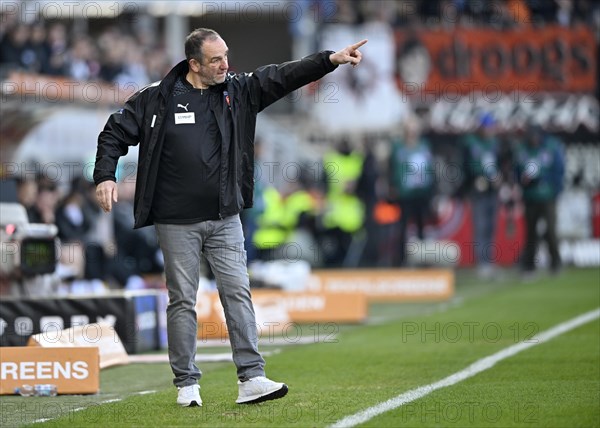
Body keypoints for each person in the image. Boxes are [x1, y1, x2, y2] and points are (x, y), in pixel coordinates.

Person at [93, 28, 366, 407]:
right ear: (194, 64)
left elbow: (283, 75)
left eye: (226, 56)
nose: (225, 64)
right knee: (182, 300)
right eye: (216, 60)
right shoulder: (157, 98)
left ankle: (251, 377)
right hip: (175, 220)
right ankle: (187, 384)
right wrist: (105, 175)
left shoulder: (239, 89)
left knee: (237, 290)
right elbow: (113, 133)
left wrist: (328, 60)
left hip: (225, 216)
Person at [515, 124, 565, 278]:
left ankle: (555, 263)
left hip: (548, 196)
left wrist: (551, 186)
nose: (533, 140)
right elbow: (517, 171)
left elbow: (559, 170)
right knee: (531, 233)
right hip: (530, 196)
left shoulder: (551, 147)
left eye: (535, 137)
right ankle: (529, 265)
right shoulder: (522, 149)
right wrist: (523, 183)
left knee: (550, 230)